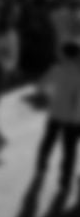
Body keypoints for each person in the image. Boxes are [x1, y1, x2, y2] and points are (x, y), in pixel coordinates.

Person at [33, 42, 80, 190]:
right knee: (69, 150)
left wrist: (49, 97)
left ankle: (41, 167)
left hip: (56, 113)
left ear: (63, 54)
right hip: (73, 118)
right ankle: (65, 180)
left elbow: (41, 86)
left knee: (48, 142)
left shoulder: (56, 69)